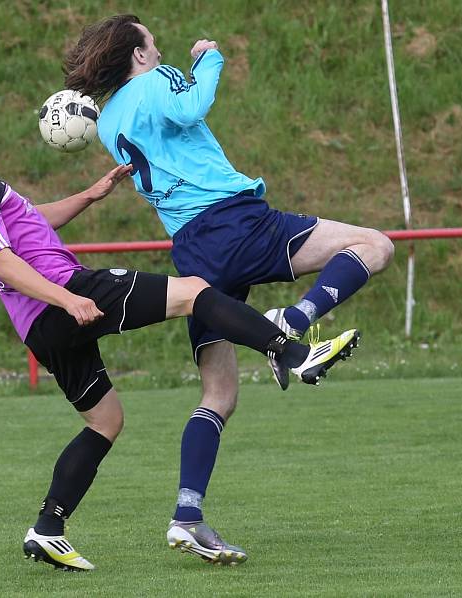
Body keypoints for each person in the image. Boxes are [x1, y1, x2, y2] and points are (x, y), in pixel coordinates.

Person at [0, 85, 358, 571]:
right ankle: (290, 351)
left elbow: (29, 224)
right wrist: (69, 298)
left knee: (105, 421)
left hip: (43, 322)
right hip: (64, 296)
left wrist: (91, 195)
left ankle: (48, 529)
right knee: (193, 291)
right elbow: (4, 261)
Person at [63, 14, 394, 564]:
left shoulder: (107, 121)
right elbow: (191, 106)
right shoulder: (157, 79)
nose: (158, 45)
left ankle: (187, 515)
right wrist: (208, 60)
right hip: (235, 223)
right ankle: (295, 321)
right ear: (139, 55)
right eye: (151, 39)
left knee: (218, 395)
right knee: (374, 246)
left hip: (193, 250)